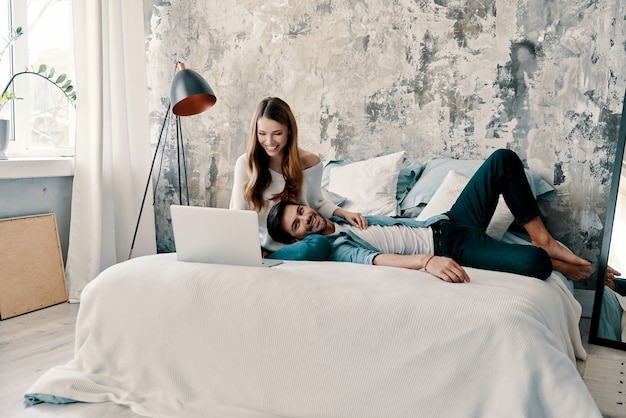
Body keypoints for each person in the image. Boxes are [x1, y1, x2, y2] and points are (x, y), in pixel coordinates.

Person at [267, 148, 592, 283]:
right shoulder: (338, 249)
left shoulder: (342, 217)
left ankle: (543, 239)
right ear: (298, 238)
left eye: (299, 211)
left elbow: (310, 160)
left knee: (503, 160)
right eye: (296, 225)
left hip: (448, 221)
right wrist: (426, 261)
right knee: (537, 266)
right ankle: (557, 261)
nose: (304, 218)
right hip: (453, 249)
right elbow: (377, 259)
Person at [230, 97, 366, 259]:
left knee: (323, 243)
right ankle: (267, 258)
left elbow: (317, 203)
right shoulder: (245, 164)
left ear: (289, 130)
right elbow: (237, 216)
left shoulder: (311, 163)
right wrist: (250, 251)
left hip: (302, 246)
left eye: (277, 133)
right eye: (262, 134)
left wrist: (343, 213)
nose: (269, 142)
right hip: (263, 249)